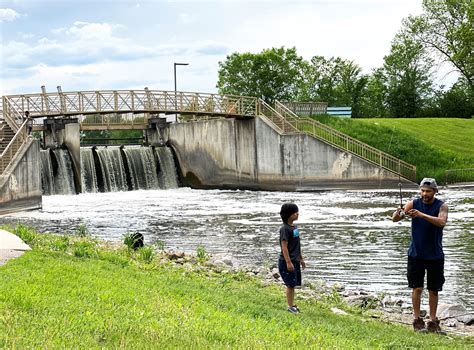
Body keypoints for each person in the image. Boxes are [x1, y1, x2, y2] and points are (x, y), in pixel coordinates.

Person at [392, 178, 448, 333]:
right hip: (416, 254)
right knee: (417, 288)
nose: (424, 194)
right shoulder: (413, 203)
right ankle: (417, 320)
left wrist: (422, 215)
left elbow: (442, 222)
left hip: (435, 255)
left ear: (435, 191)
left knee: (433, 290)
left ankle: (432, 321)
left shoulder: (441, 206)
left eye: (428, 191)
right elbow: (395, 219)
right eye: (422, 190)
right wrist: (398, 213)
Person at [278, 202, 306, 314]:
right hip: (287, 261)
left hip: (295, 260)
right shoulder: (284, 229)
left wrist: (301, 259)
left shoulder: (294, 228)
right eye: (295, 212)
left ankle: (293, 304)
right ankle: (290, 306)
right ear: (289, 215)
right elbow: (284, 247)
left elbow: (297, 245)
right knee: (290, 285)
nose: (297, 214)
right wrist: (288, 262)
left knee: (293, 284)